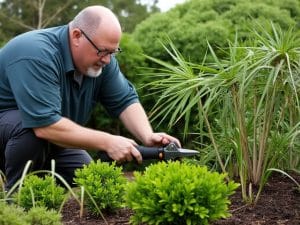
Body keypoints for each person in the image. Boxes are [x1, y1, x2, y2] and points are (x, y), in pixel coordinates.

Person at [0, 5, 180, 190]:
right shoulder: (36, 53)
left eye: (113, 52)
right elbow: (44, 126)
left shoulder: (102, 61)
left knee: (94, 178)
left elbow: (125, 101)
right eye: (103, 51)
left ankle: (41, 195)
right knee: (27, 129)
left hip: (45, 142)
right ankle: (14, 200)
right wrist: (109, 141)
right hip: (20, 134)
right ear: (77, 36)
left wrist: (147, 136)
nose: (107, 60)